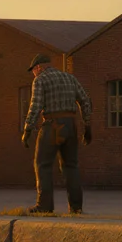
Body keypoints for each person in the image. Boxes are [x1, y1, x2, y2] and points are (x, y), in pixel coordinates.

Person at [19, 53, 97, 215]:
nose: (33, 73)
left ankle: (44, 205)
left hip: (52, 125)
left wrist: (27, 130)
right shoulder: (70, 78)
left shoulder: (40, 80)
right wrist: (87, 126)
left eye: (33, 70)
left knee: (43, 164)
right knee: (71, 166)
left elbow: (35, 106)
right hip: (71, 125)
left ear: (38, 67)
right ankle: (76, 207)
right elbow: (85, 101)